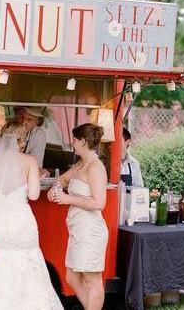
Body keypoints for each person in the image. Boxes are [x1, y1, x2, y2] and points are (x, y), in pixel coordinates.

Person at [0, 120, 63, 310]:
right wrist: (37, 177)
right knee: (28, 263)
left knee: (1, 264)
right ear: (22, 140)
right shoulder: (29, 161)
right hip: (20, 221)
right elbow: (33, 195)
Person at [47, 123, 108, 310]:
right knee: (71, 277)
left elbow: (99, 203)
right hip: (78, 229)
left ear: (82, 141)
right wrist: (55, 188)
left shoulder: (96, 167)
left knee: (92, 280)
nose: (71, 143)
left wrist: (68, 198)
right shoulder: (81, 164)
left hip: (91, 230)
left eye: (74, 139)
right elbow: (63, 179)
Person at [0, 106, 48, 175]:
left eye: (29, 119)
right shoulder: (3, 129)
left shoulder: (39, 134)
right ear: (16, 116)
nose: (23, 122)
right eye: (21, 117)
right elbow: (2, 161)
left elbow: (36, 164)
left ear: (36, 122)